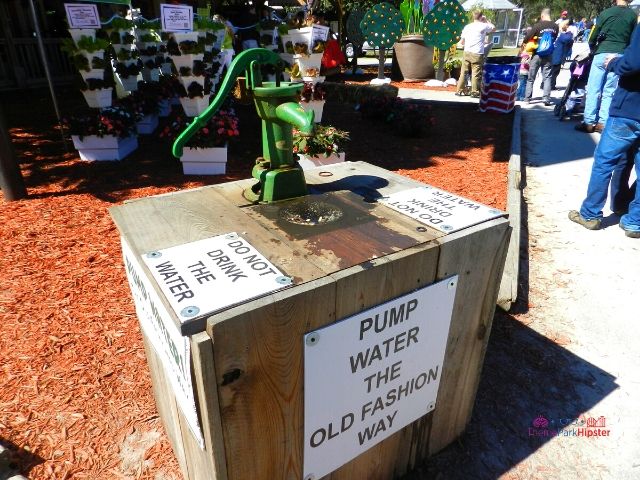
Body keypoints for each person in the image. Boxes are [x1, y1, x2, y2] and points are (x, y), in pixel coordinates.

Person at [568, 23, 640, 238]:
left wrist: (614, 63)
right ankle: (635, 221)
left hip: (629, 109)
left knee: (605, 161)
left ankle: (590, 214)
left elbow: (633, 63)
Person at [574, 0, 637, 133]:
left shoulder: (606, 13)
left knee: (593, 88)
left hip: (602, 53)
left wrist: (592, 46)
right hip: (619, 55)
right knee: (609, 90)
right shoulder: (632, 16)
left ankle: (589, 122)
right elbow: (633, 39)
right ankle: (603, 122)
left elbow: (593, 34)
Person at [455, 10, 495, 98]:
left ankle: (459, 90)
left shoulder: (467, 27)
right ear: (481, 17)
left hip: (467, 52)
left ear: (473, 16)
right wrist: (486, 20)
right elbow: (494, 28)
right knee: (475, 73)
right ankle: (475, 92)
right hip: (477, 53)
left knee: (463, 72)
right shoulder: (484, 26)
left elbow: (462, 42)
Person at [523, 9, 559, 106]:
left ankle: (527, 98)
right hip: (548, 54)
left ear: (542, 16)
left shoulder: (538, 25)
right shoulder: (555, 26)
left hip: (537, 54)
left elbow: (527, 38)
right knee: (547, 77)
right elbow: (554, 38)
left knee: (531, 77)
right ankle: (546, 98)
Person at [550, 21, 574, 89]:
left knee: (551, 71)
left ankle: (546, 84)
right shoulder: (562, 34)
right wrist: (570, 33)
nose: (568, 26)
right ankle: (551, 85)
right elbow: (567, 39)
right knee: (555, 71)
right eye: (567, 25)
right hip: (556, 55)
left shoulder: (556, 32)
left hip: (553, 54)